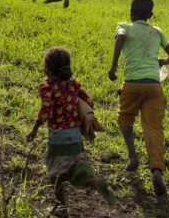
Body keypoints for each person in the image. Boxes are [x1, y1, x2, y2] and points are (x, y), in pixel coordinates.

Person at [27, 47, 117, 206]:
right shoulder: (73, 84)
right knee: (76, 166)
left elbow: (46, 109)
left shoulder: (47, 86)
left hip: (58, 137)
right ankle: (92, 180)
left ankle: (61, 207)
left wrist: (34, 129)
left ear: (47, 68)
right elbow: (89, 102)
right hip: (76, 135)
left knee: (55, 173)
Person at [108, 0, 169, 196]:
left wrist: (113, 65)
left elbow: (120, 37)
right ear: (150, 15)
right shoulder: (157, 31)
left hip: (132, 84)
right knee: (154, 128)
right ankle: (157, 170)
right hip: (154, 87)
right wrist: (160, 62)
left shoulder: (125, 26)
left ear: (131, 13)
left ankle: (133, 157)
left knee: (125, 118)